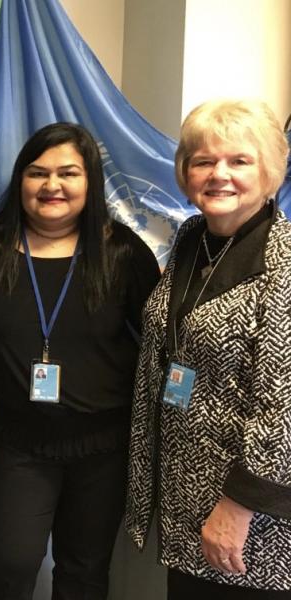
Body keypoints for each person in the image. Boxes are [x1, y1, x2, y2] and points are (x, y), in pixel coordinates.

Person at [0, 122, 160, 600]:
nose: (52, 185)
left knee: (84, 573)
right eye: (38, 173)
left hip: (104, 448)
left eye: (68, 173)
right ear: (20, 181)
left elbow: (160, 347)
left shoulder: (122, 252)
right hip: (21, 446)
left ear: (89, 182)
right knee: (7, 569)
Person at [126, 99, 291, 599]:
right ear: (184, 171)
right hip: (186, 496)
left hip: (251, 519)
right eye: (203, 161)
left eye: (239, 161)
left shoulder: (283, 262)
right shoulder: (192, 239)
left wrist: (239, 507)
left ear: (270, 172)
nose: (219, 174)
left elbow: (283, 407)